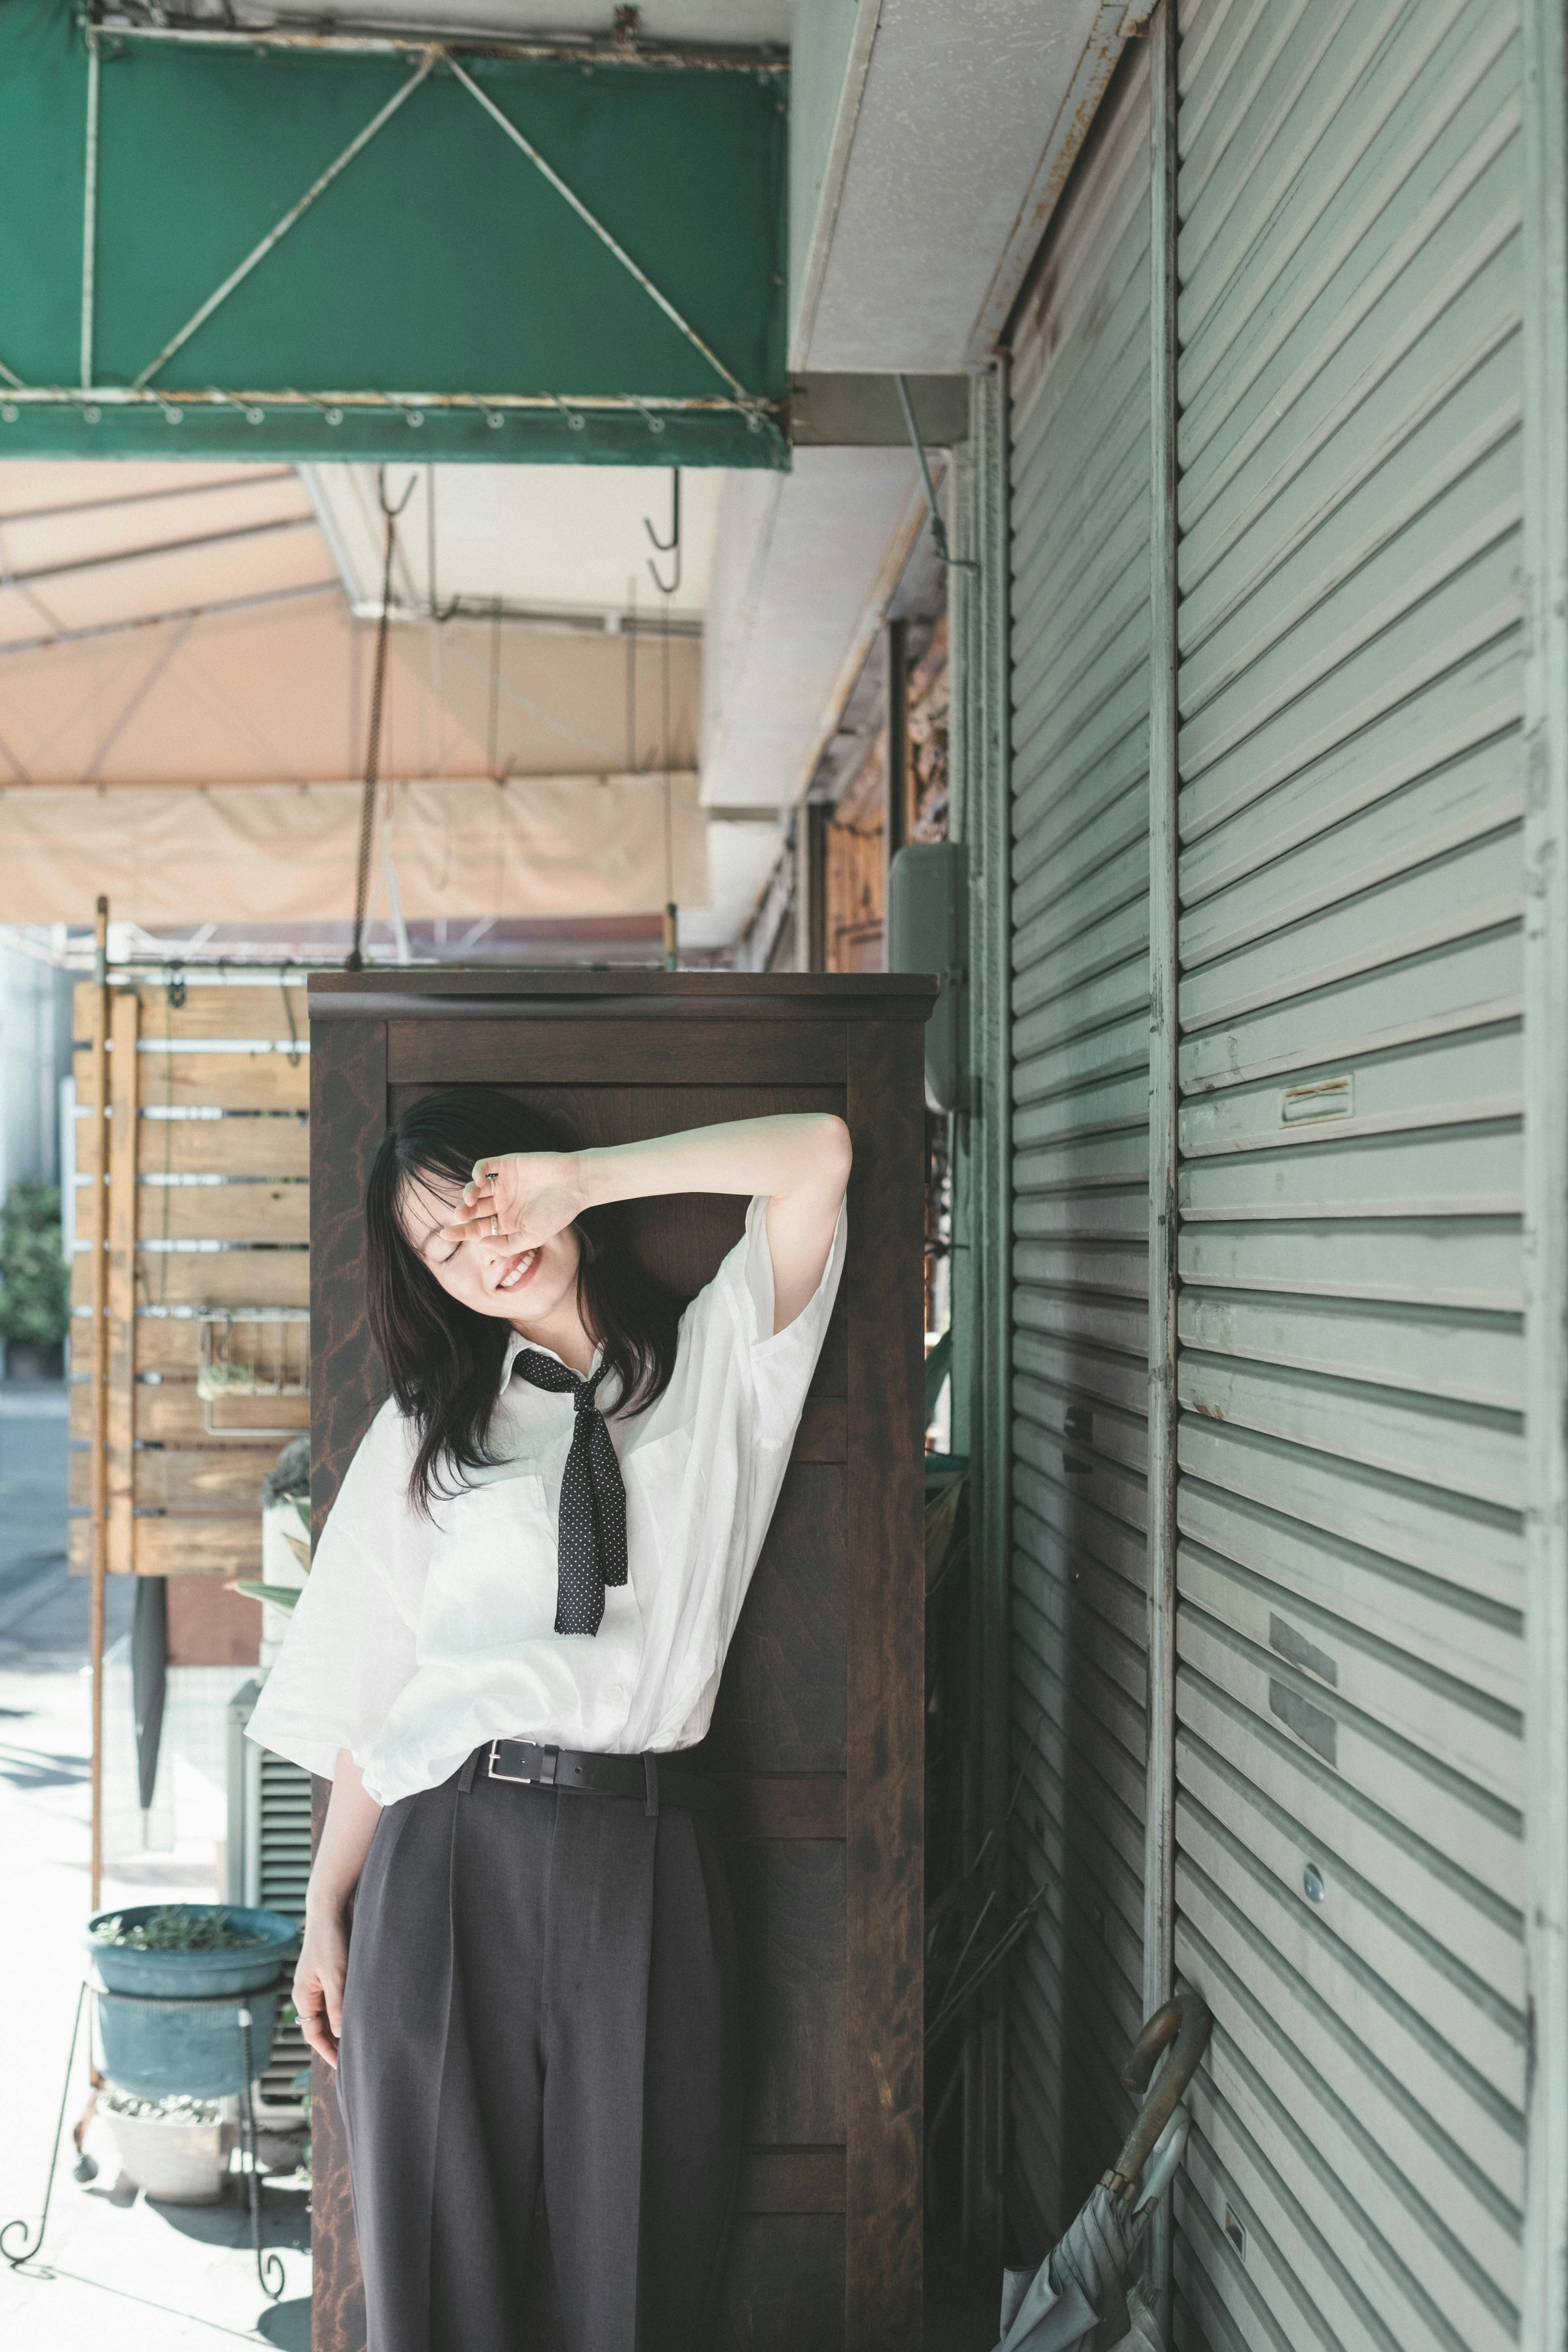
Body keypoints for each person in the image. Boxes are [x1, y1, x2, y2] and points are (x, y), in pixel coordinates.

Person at [246, 1088, 851, 2352]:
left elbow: (820, 1157)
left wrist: (584, 1175)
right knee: (435, 2277)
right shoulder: (428, 1434)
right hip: (447, 1857)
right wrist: (323, 1909)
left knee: (640, 2279)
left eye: (488, 1202)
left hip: (648, 1851)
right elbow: (374, 1694)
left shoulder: (722, 1363)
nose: (486, 1247)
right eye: (444, 1246)